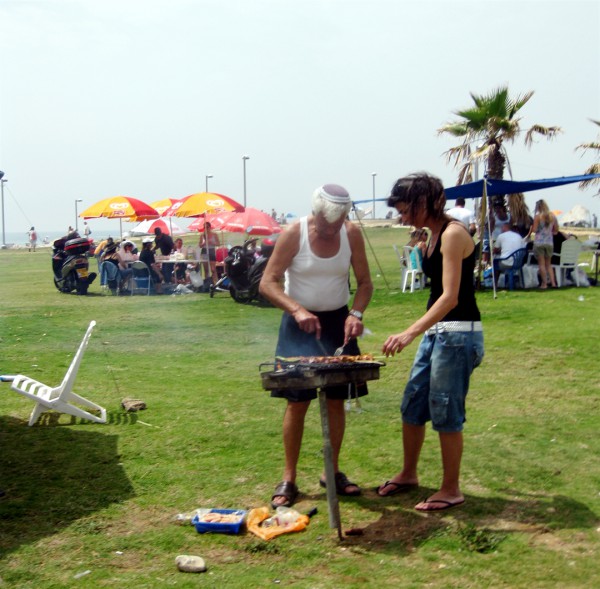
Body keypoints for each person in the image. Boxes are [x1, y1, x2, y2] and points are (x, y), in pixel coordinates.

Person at [259, 184, 373, 508]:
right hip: (298, 323)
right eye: (326, 226)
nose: (331, 231)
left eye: (337, 225)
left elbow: (365, 283)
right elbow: (268, 282)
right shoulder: (294, 233)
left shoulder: (350, 234)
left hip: (338, 324)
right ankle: (289, 477)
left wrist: (356, 313)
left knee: (336, 401)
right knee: (297, 403)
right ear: (316, 214)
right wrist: (296, 309)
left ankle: (331, 471)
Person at [377, 172, 484, 512]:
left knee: (445, 410)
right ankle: (409, 474)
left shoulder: (453, 234)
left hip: (457, 334)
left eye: (405, 208)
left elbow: (450, 297)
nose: (401, 216)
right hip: (439, 334)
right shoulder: (433, 234)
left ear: (423, 202)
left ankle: (451, 489)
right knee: (413, 404)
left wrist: (409, 332)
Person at [531, 199, 559, 289]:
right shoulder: (552, 216)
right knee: (548, 264)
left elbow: (534, 230)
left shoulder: (538, 217)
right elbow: (556, 230)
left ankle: (544, 284)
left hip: (539, 242)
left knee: (541, 264)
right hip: (549, 242)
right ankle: (553, 283)